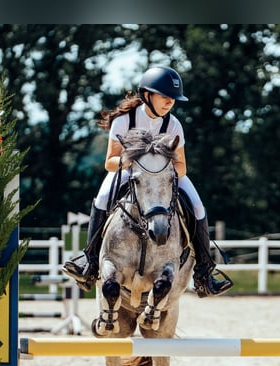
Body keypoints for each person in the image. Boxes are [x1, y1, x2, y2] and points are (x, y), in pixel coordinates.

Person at [62, 65, 233, 298]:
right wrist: (136, 161)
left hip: (164, 176)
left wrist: (161, 174)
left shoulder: (173, 125)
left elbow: (181, 166)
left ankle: (204, 272)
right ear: (146, 95)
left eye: (173, 98)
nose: (169, 102)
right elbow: (110, 162)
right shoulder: (124, 120)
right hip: (129, 171)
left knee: (197, 206)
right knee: (102, 197)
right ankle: (89, 261)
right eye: (164, 96)